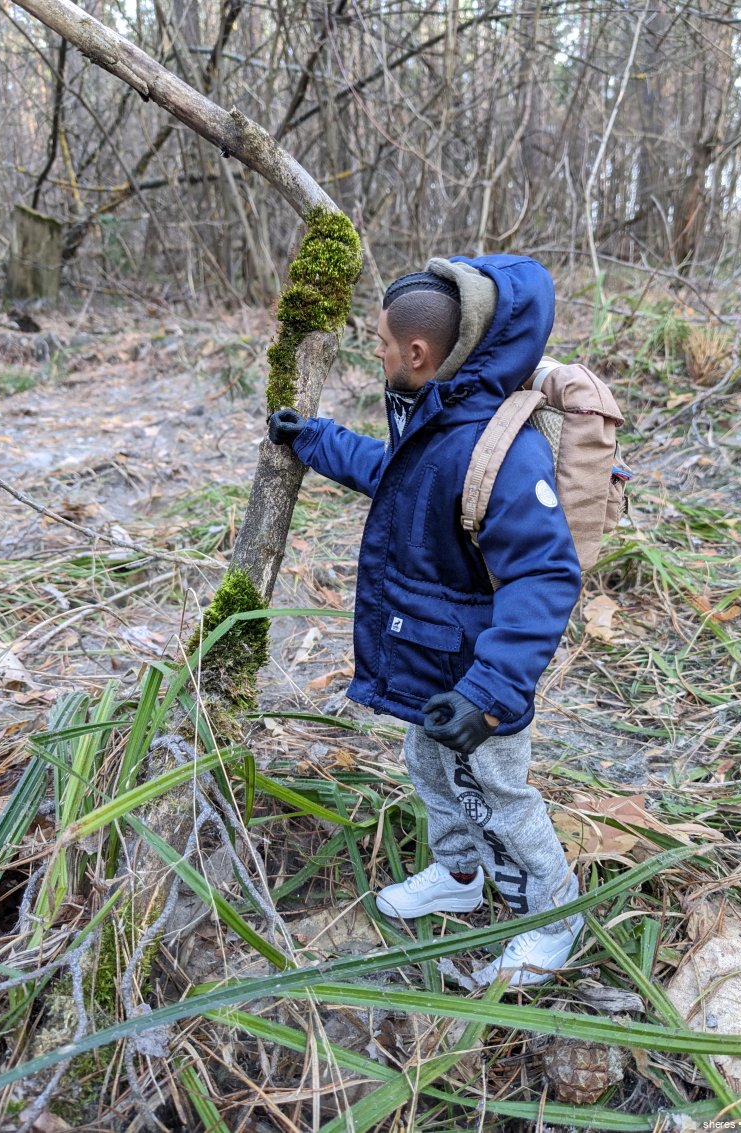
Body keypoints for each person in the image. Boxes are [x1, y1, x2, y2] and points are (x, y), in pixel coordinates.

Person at [269, 254, 583, 986]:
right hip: (430, 661)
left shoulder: (502, 451)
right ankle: (458, 871)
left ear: (418, 354)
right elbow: (392, 476)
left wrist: (488, 695)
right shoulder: (434, 422)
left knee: (500, 793)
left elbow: (546, 573)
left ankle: (553, 916)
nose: (373, 352)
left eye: (379, 341)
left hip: (479, 678)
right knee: (427, 767)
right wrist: (311, 438)